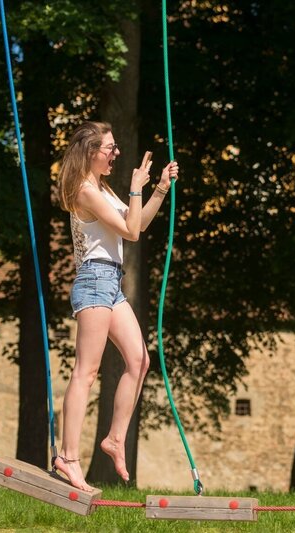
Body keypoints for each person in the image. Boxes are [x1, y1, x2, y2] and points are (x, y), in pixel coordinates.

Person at [54, 121, 179, 490]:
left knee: (139, 361)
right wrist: (136, 188)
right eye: (110, 148)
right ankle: (68, 456)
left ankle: (113, 439)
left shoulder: (101, 188)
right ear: (91, 152)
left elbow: (135, 222)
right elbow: (131, 232)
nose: (116, 154)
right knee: (86, 373)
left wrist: (158, 189)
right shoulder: (84, 191)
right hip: (94, 280)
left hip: (112, 282)